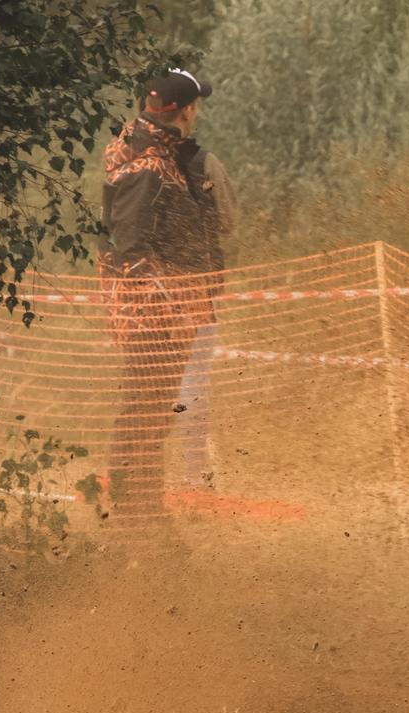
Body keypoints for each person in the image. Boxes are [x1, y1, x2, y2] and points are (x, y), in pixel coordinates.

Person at [99, 68, 215, 520]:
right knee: (144, 414)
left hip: (150, 308)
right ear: (185, 110)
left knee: (147, 412)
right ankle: (137, 516)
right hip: (151, 312)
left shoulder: (144, 146)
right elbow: (130, 245)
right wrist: (170, 300)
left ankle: (140, 511)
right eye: (195, 104)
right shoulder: (147, 162)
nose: (197, 111)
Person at [170, 132, 238, 491]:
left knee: (146, 382)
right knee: (193, 382)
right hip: (197, 283)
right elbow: (227, 219)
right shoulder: (203, 162)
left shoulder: (126, 159)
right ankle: (193, 478)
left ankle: (137, 477)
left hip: (139, 290)